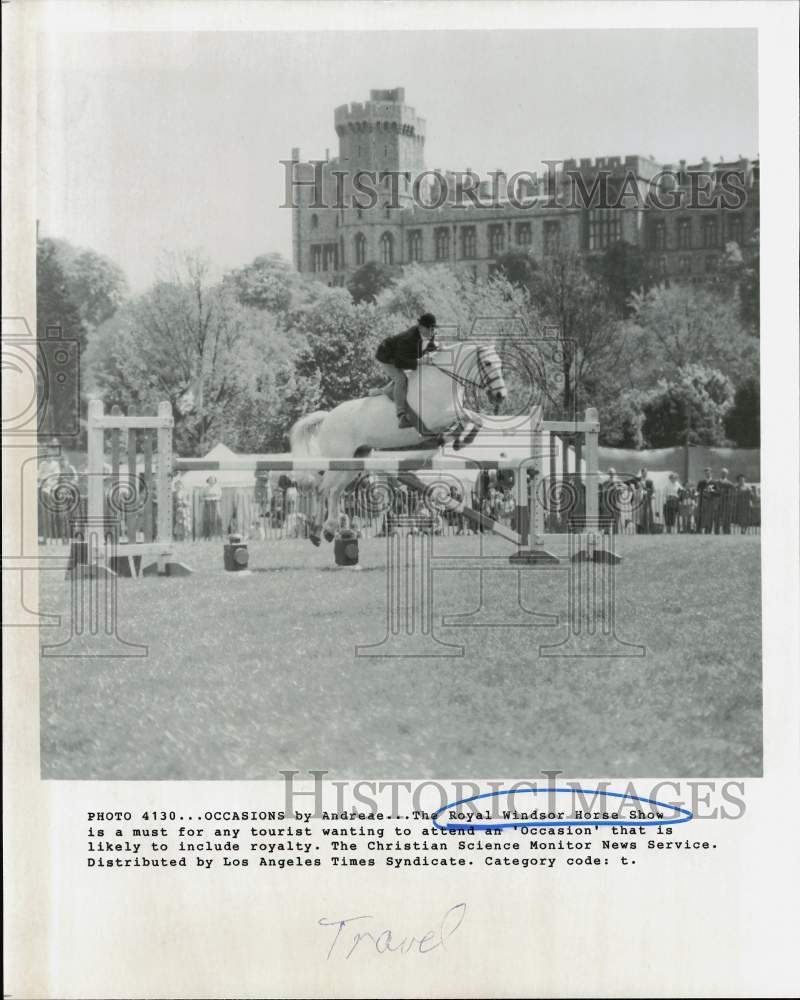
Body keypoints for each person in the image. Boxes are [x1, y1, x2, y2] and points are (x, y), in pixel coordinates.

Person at [374, 313, 439, 428]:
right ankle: (401, 416)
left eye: (433, 329)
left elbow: (431, 348)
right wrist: (420, 362)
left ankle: (382, 391)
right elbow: (400, 362)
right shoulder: (408, 338)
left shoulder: (429, 334)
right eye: (430, 329)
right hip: (387, 357)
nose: (432, 332)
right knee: (401, 379)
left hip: (402, 356)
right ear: (421, 328)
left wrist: (439, 349)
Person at [696, 467, 716, 534]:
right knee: (701, 515)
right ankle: (700, 530)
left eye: (709, 473)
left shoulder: (714, 482)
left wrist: (711, 491)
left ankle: (709, 530)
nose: (707, 474)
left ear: (711, 473)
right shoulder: (701, 482)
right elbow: (697, 491)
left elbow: (717, 492)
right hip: (702, 501)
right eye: (706, 473)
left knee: (709, 516)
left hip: (710, 502)